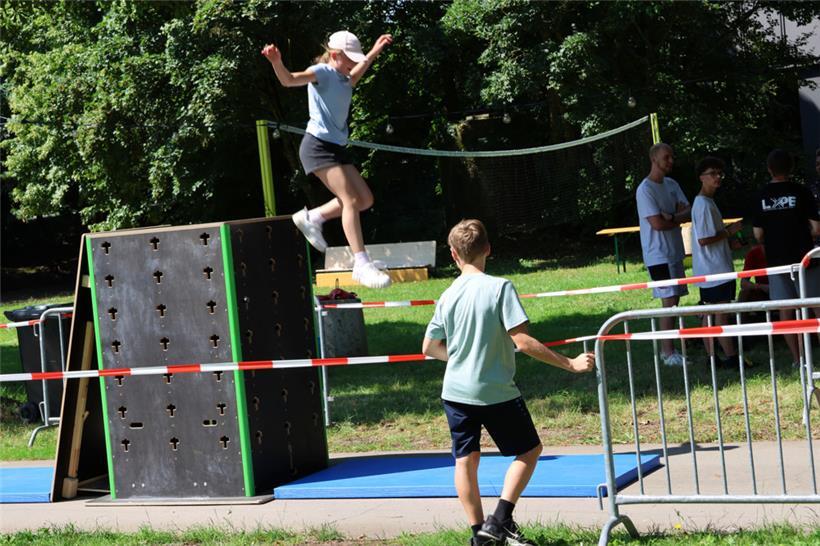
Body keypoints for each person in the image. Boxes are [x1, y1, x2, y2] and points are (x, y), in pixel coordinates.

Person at [422, 219, 595, 546]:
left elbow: (429, 347)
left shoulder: (446, 295)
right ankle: (500, 519)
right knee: (530, 451)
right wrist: (570, 363)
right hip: (494, 391)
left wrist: (460, 358)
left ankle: (480, 536)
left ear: (454, 255)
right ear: (488, 248)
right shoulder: (500, 288)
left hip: (455, 392)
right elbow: (524, 341)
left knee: (465, 460)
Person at [261, 31, 393, 288]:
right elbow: (289, 80)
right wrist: (276, 61)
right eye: (349, 61)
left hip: (335, 148)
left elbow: (361, 66)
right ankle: (361, 263)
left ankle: (314, 217)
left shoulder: (346, 79)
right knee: (351, 200)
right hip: (317, 146)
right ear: (334, 55)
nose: (354, 65)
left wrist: (375, 51)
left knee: (365, 199)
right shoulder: (322, 72)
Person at [752, 149, 820, 367]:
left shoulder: (761, 195)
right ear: (791, 168)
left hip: (776, 261)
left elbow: (757, 234)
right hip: (805, 259)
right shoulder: (801, 191)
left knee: (785, 309)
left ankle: (797, 359)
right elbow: (816, 228)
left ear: (769, 168)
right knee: (816, 306)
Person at [636, 143, 691, 366]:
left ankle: (671, 347)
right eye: (666, 157)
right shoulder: (645, 189)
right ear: (654, 159)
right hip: (657, 255)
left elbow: (688, 211)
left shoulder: (672, 184)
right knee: (668, 300)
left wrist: (672, 217)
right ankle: (667, 353)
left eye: (672, 157)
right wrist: (671, 217)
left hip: (675, 252)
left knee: (675, 299)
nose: (670, 161)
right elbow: (657, 224)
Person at [690, 157, 747, 368]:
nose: (717, 177)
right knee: (718, 315)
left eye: (719, 173)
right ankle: (729, 358)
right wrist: (729, 232)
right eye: (712, 173)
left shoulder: (707, 202)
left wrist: (730, 244)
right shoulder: (703, 204)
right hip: (714, 271)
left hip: (714, 268)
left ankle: (714, 358)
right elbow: (704, 239)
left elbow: (710, 238)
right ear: (701, 177)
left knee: (712, 314)